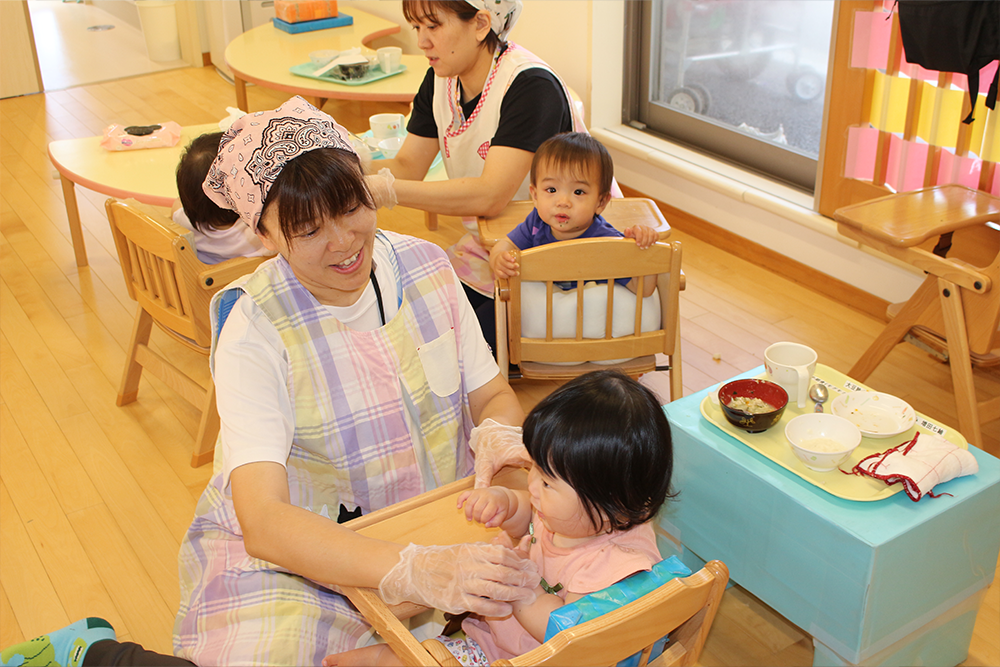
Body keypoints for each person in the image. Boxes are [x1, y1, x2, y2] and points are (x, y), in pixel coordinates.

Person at [0, 96, 541, 667]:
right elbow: (264, 521)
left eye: (351, 205)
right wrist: (408, 568)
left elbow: (491, 396)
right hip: (299, 554)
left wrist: (502, 446)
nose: (343, 241)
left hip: (433, 521)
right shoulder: (254, 325)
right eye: (307, 229)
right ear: (264, 235)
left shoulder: (427, 266)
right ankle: (96, 655)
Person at [324, 370, 676, 666]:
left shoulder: (617, 566)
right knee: (403, 653)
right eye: (533, 468)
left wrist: (526, 596)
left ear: (613, 503)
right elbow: (532, 519)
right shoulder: (578, 515)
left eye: (547, 481)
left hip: (532, 657)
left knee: (421, 658)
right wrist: (506, 504)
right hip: (498, 638)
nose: (533, 486)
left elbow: (569, 636)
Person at [373, 0, 606, 352]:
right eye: (416, 27)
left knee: (461, 345)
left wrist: (385, 191)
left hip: (560, 249)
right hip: (498, 246)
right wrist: (345, 164)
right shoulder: (442, 77)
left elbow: (490, 195)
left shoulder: (530, 86)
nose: (421, 41)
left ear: (482, 23)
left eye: (432, 26)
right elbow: (407, 166)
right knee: (418, 315)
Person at [488, 132, 660, 298]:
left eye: (578, 192)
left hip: (588, 320)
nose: (563, 202)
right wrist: (498, 259)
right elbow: (506, 244)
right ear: (535, 195)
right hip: (544, 319)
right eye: (551, 189)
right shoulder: (536, 223)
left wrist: (645, 251)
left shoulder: (606, 241)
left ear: (601, 202)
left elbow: (642, 290)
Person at [171, 131, 270, 264]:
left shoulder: (182, 222)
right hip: (254, 279)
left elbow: (178, 204)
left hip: (210, 282)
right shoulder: (258, 229)